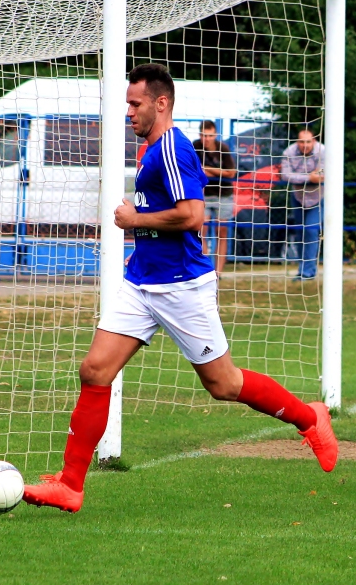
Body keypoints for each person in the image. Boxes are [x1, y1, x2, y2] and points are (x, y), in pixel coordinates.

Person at [20, 65, 338, 513]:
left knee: (224, 384)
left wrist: (134, 220)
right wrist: (142, 240)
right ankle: (71, 486)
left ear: (161, 103)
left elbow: (192, 216)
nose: (129, 112)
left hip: (182, 286)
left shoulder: (173, 147)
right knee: (94, 370)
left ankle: (309, 417)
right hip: (142, 281)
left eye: (135, 104)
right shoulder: (151, 149)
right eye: (127, 104)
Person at [191, 120, 237, 273]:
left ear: (215, 135)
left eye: (210, 136)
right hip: (202, 195)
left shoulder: (223, 148)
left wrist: (208, 170)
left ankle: (218, 273)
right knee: (200, 231)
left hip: (223, 195)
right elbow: (194, 170)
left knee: (221, 232)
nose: (207, 139)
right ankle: (205, 270)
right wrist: (213, 172)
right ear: (200, 135)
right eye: (204, 135)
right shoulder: (195, 146)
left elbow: (231, 173)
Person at [281, 128, 324, 280]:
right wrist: (309, 178)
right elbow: (286, 175)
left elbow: (324, 174)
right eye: (301, 142)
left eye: (308, 142)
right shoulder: (289, 152)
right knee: (300, 233)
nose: (305, 145)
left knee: (311, 231)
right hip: (298, 197)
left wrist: (303, 177)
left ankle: (308, 272)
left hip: (319, 197)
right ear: (297, 141)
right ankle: (303, 269)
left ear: (314, 141)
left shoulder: (323, 151)